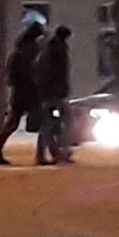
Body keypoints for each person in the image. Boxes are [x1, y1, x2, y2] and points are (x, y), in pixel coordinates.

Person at [0, 22, 45, 166]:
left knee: (12, 124)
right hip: (26, 93)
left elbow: (13, 75)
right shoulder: (28, 53)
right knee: (43, 123)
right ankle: (46, 154)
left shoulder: (19, 52)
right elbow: (28, 73)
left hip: (20, 93)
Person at [35, 25, 74, 165]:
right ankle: (57, 153)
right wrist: (60, 89)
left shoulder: (50, 49)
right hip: (54, 95)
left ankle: (55, 153)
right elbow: (57, 73)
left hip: (50, 94)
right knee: (54, 124)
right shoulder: (58, 50)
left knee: (53, 124)